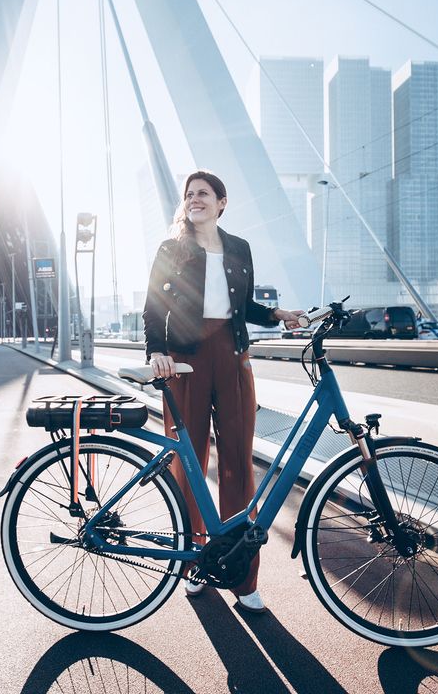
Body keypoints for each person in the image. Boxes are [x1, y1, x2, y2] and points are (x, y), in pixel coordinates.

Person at [143, 170, 302, 614]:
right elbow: (154, 305)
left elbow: (244, 305)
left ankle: (243, 576)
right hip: (185, 360)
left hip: (233, 358)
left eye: (203, 194)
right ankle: (196, 563)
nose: (194, 199)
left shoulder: (239, 248)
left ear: (221, 202)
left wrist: (277, 314)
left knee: (237, 462)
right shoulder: (172, 248)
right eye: (189, 194)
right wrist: (156, 350)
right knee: (190, 463)